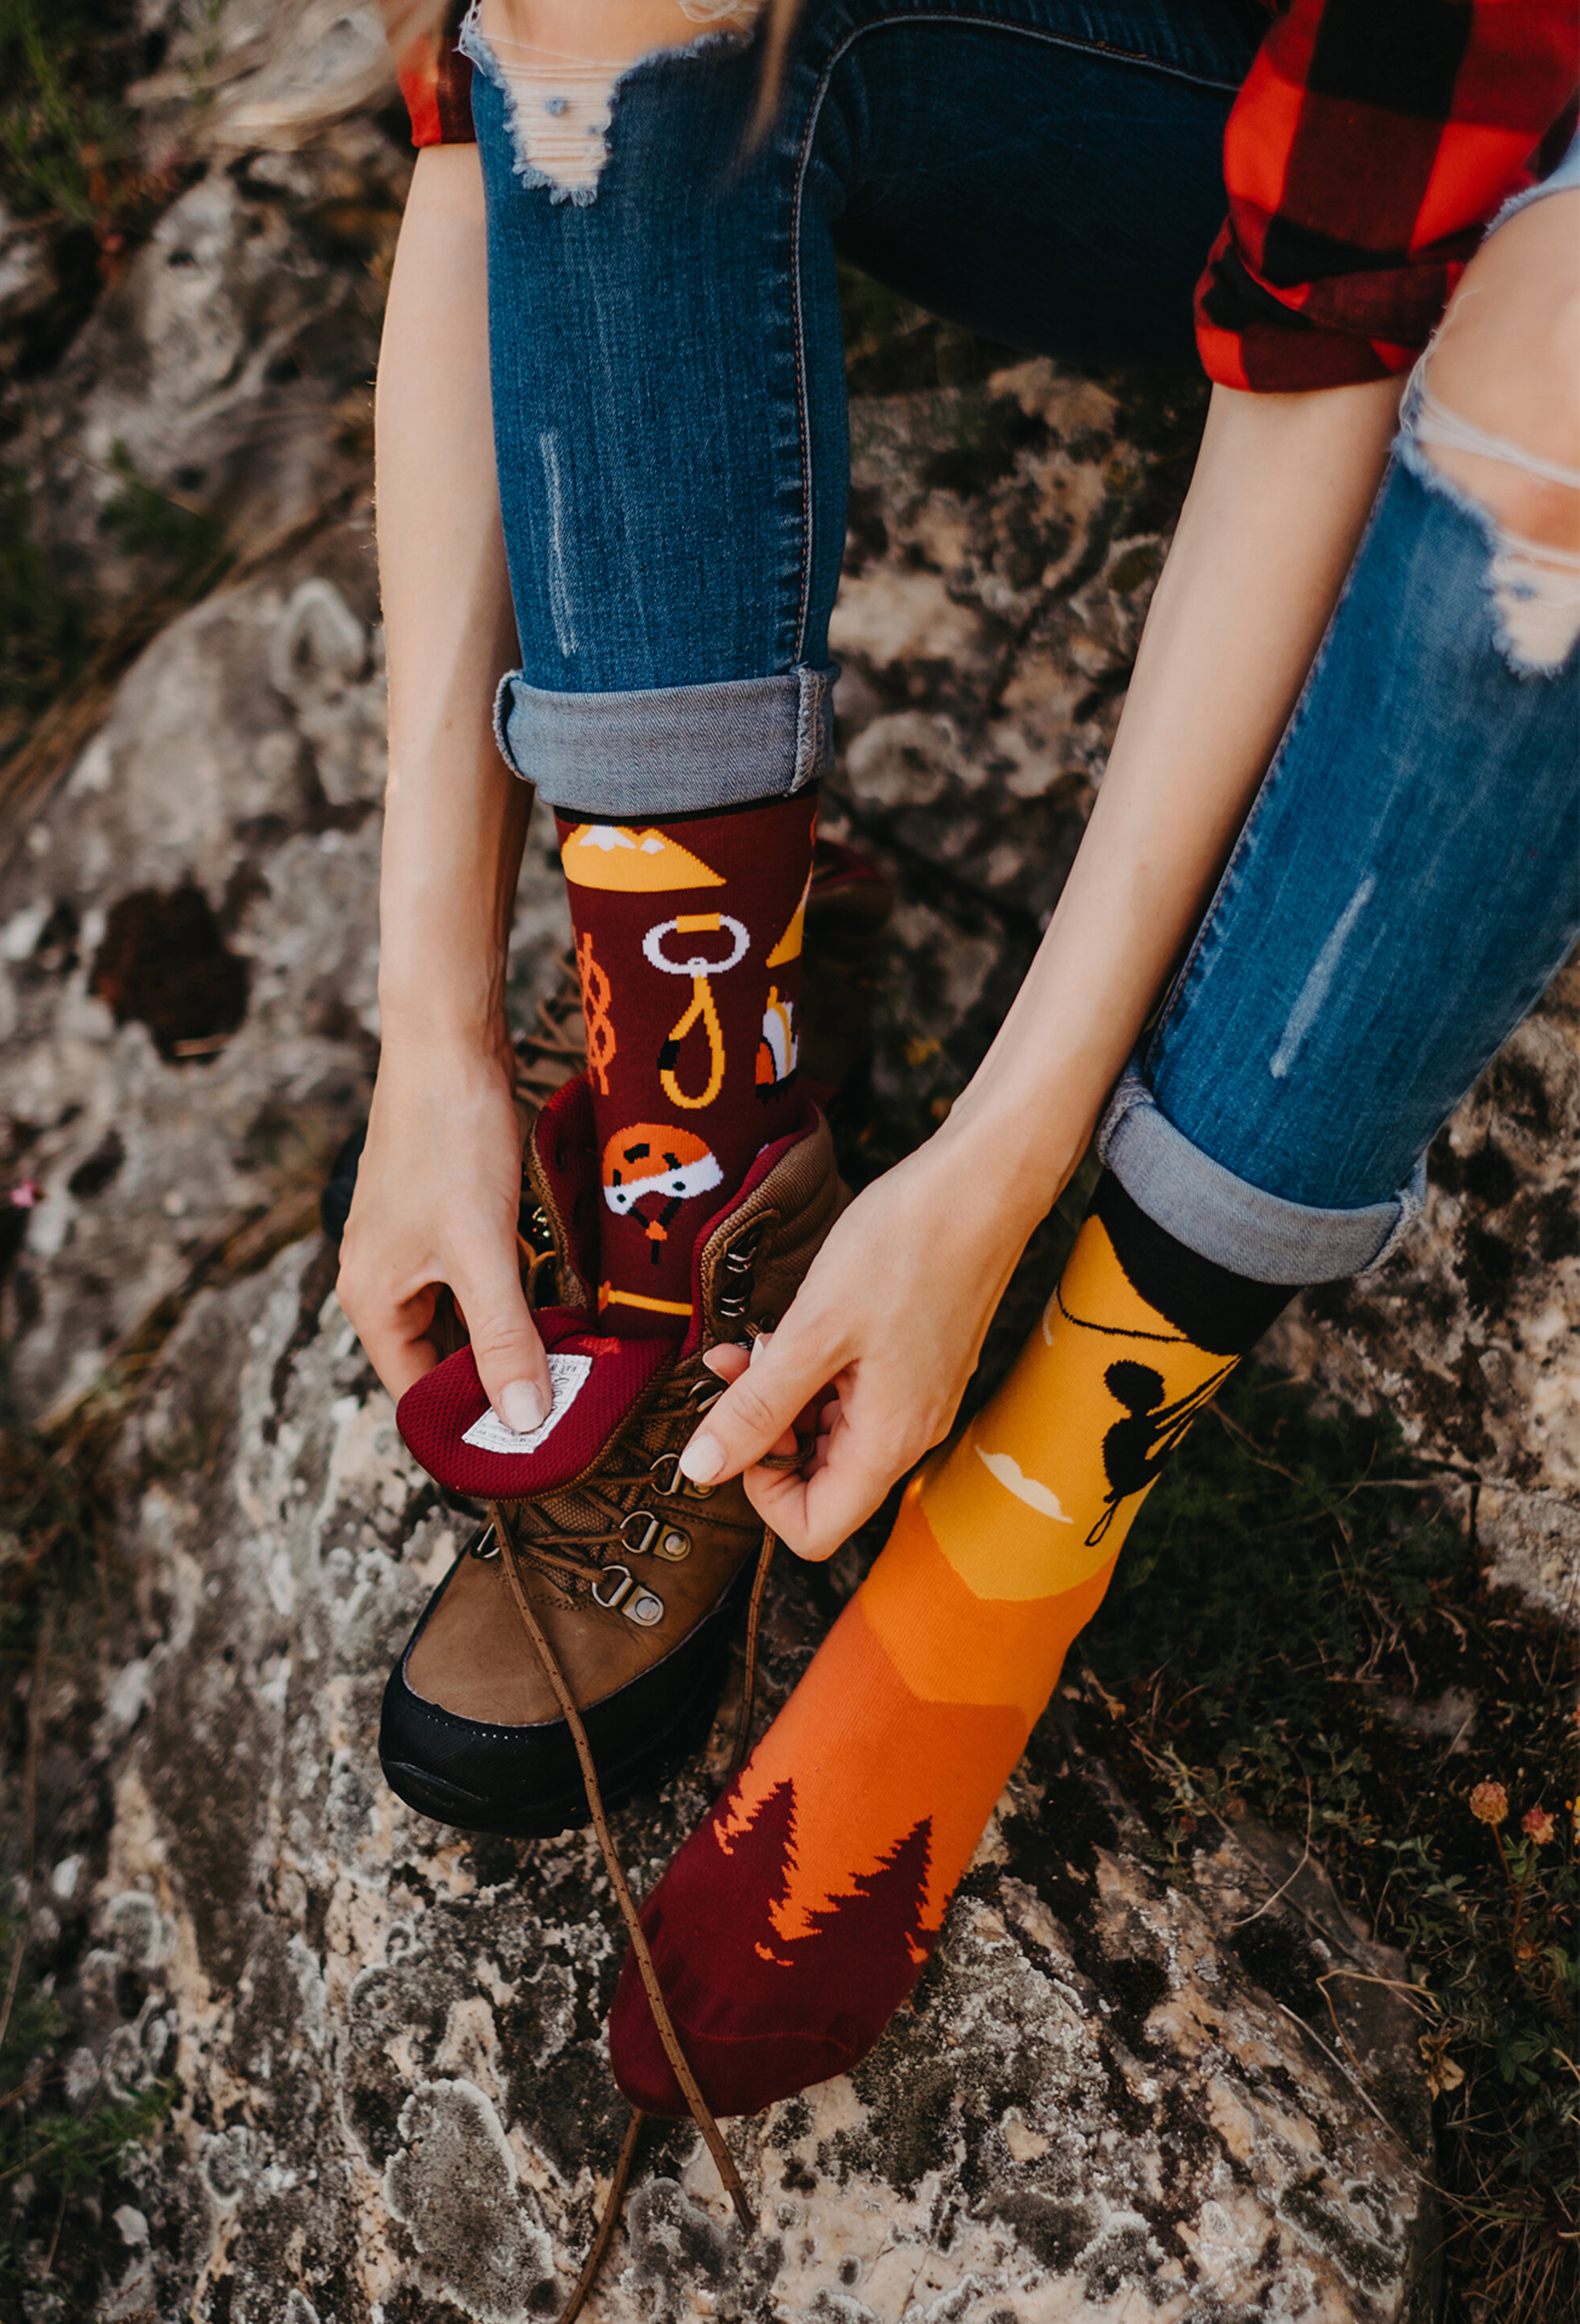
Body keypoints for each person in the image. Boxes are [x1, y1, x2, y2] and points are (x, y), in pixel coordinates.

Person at [336, 0, 1579, 2140]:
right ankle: (696, 1196)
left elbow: (1337, 324)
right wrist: (429, 1019)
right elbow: (491, 121)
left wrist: (1003, 1162)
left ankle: (1024, 1522)